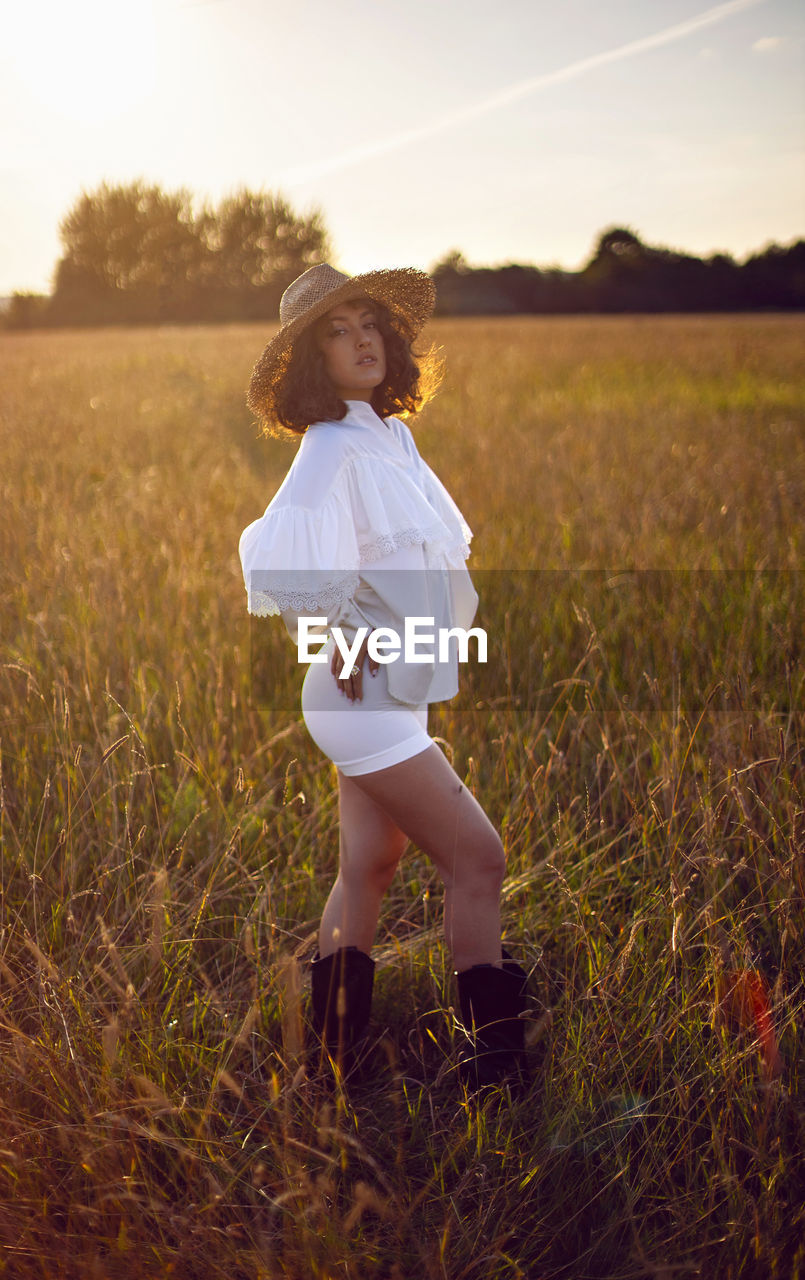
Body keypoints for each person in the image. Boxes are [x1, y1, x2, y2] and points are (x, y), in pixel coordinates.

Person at [239, 263, 548, 1089]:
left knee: (367, 867)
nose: (359, 340)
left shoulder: (389, 435)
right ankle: (496, 1071)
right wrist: (335, 627)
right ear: (311, 359)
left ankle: (331, 1061)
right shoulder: (329, 445)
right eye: (335, 332)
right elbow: (284, 547)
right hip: (359, 698)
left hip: (393, 697)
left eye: (366, 321)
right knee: (478, 859)